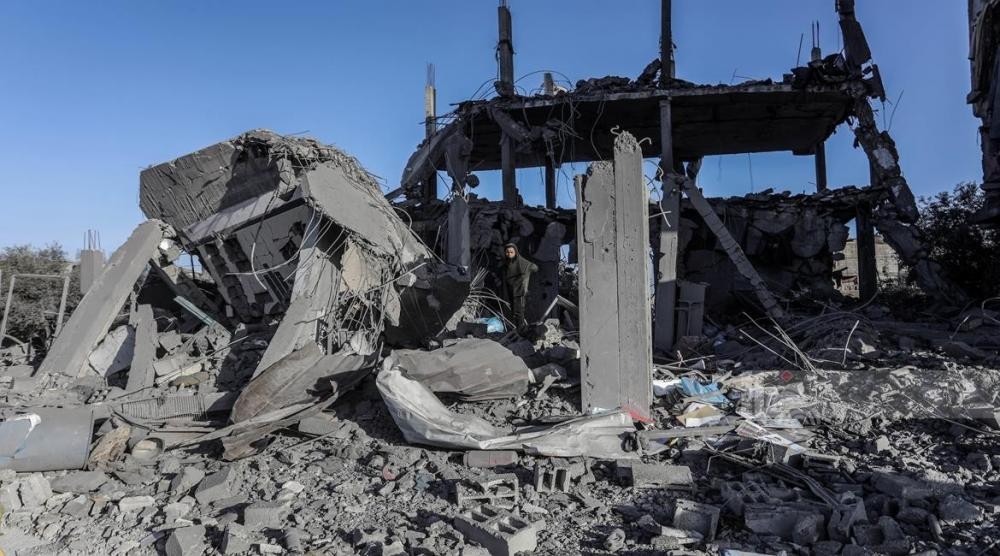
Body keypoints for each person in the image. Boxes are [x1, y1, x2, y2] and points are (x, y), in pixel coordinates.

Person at [499, 242, 537, 330]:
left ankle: (521, 330)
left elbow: (534, 268)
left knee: (519, 311)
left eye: (511, 252)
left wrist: (525, 274)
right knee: (513, 311)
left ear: (515, 252)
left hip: (520, 290)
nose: (509, 254)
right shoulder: (506, 264)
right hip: (510, 290)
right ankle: (517, 329)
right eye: (507, 252)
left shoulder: (520, 261)